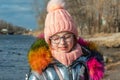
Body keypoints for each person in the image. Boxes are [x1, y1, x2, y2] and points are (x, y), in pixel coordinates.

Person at [27, 0, 104, 80]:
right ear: (49, 41)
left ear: (74, 37)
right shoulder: (41, 69)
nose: (62, 42)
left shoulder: (88, 63)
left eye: (67, 37)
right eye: (56, 38)